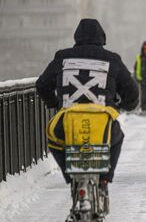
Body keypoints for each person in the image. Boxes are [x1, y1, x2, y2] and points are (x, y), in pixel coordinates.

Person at [36, 18, 139, 187]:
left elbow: (42, 85)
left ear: (76, 37)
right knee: (117, 138)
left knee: (54, 139)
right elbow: (132, 91)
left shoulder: (62, 57)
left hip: (68, 120)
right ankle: (105, 178)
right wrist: (124, 106)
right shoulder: (112, 60)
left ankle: (72, 179)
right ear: (102, 38)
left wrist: (54, 103)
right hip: (102, 121)